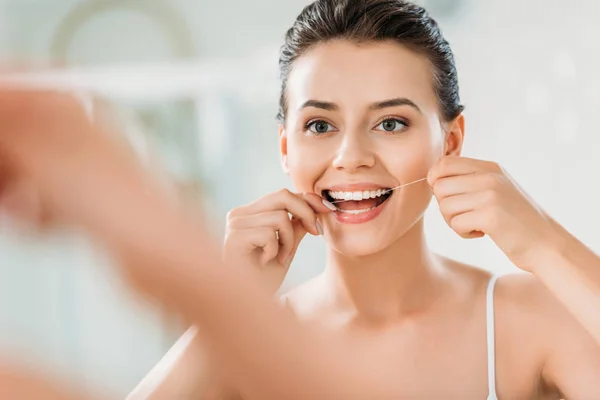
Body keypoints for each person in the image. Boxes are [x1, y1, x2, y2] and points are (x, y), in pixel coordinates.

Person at [0, 1, 600, 399]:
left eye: (390, 123)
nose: (350, 156)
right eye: (320, 126)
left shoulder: (528, 316)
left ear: (452, 140)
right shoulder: (248, 341)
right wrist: (228, 303)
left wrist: (544, 242)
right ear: (285, 148)